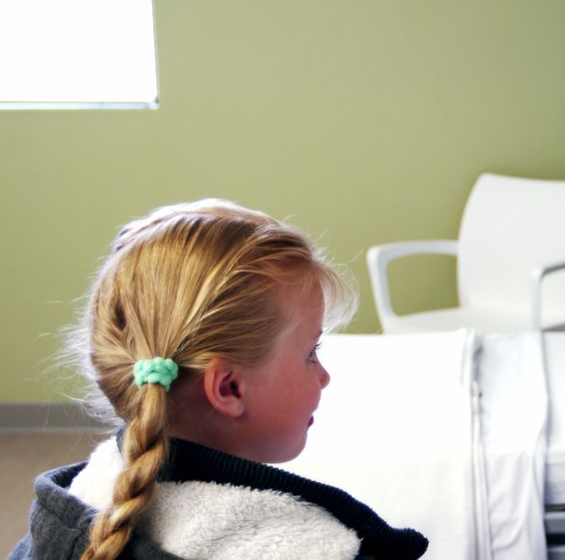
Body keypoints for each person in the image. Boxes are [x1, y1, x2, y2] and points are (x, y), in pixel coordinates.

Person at [10, 200, 428, 560]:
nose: (324, 377)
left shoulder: (66, 509)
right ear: (229, 389)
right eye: (310, 353)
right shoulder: (317, 548)